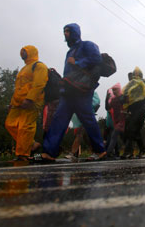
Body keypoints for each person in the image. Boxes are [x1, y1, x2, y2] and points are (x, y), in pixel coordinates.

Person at [42, 24, 106, 162]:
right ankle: (49, 152)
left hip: (82, 90)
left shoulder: (87, 45)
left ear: (75, 32)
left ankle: (100, 150)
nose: (65, 34)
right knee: (59, 119)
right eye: (64, 31)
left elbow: (97, 59)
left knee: (88, 120)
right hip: (68, 90)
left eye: (68, 31)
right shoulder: (69, 51)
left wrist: (78, 61)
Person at [5, 45, 48, 161]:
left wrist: (30, 99)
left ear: (31, 52)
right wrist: (11, 103)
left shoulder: (39, 66)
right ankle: (32, 144)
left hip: (32, 102)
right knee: (10, 124)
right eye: (21, 51)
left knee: (25, 127)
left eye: (25, 51)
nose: (22, 53)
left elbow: (39, 84)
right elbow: (18, 87)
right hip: (18, 102)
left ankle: (23, 155)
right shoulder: (24, 69)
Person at [122, 67, 145, 158]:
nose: (136, 76)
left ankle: (128, 151)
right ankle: (143, 148)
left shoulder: (143, 83)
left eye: (138, 74)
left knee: (131, 128)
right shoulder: (130, 84)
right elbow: (125, 94)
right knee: (135, 131)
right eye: (135, 74)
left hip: (141, 108)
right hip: (132, 109)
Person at [67, 92, 100, 160]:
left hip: (86, 115)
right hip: (78, 117)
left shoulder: (92, 91)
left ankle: (72, 153)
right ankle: (96, 152)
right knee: (86, 137)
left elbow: (96, 102)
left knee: (80, 134)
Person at [106, 83, 125, 158]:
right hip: (116, 121)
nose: (114, 91)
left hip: (122, 121)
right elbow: (107, 107)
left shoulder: (123, 98)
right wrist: (107, 98)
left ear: (119, 90)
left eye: (115, 90)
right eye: (113, 90)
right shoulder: (113, 100)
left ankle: (108, 153)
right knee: (123, 137)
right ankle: (127, 151)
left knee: (114, 136)